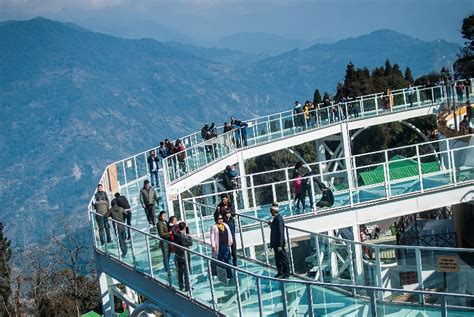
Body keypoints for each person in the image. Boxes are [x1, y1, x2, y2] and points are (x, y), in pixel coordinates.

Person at [268, 202, 290, 278]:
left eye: (271, 211)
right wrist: (271, 225)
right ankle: (280, 271)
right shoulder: (276, 218)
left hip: (278, 243)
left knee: (283, 258)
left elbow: (281, 232)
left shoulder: (279, 219)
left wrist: (280, 245)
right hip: (276, 243)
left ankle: (286, 272)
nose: (270, 212)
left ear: (273, 211)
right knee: (278, 258)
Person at [210, 215, 233, 279]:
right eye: (219, 219)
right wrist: (213, 246)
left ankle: (229, 275)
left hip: (225, 245)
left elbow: (229, 233)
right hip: (219, 246)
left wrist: (230, 241)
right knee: (221, 260)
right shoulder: (214, 227)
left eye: (221, 218)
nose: (221, 220)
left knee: (227, 260)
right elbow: (212, 237)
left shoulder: (225, 225)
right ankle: (222, 276)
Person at [173, 222, 193, 291]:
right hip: (185, 256)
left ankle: (181, 286)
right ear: (184, 228)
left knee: (180, 272)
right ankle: (188, 286)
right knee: (187, 271)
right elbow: (190, 243)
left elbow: (173, 229)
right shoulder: (183, 237)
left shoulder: (176, 234)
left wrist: (176, 225)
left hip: (178, 256)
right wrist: (189, 236)